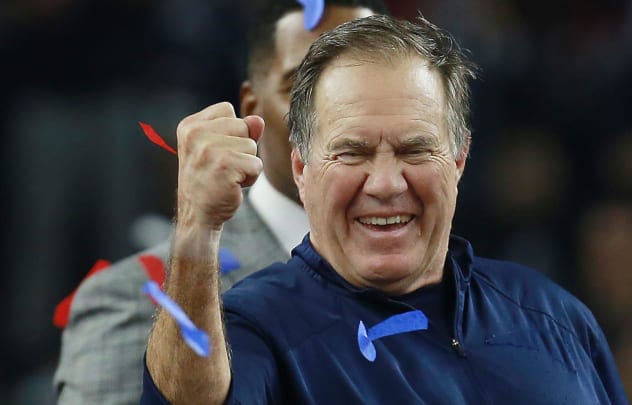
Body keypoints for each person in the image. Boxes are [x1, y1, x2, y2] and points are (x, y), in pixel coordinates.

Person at [141, 14, 629, 404]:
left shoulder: (553, 314)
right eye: (351, 152)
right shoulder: (254, 329)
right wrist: (197, 228)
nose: (386, 184)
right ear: (301, 168)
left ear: (458, 161)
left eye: (415, 150)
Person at [53, 1, 389, 404]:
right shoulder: (135, 301)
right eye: (305, 88)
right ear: (252, 109)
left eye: (368, 88)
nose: (344, 118)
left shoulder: (453, 287)